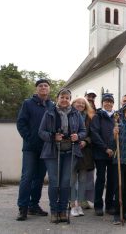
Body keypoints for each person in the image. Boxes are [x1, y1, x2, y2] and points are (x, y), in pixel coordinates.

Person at [38, 88, 86, 223]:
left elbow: (83, 131)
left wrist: (78, 136)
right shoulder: (49, 112)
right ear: (57, 99)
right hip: (53, 152)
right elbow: (41, 132)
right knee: (54, 182)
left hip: (70, 153)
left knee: (65, 183)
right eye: (62, 97)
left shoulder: (76, 113)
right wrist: (53, 137)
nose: (64, 100)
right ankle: (54, 211)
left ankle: (63, 211)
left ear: (70, 100)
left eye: (67, 98)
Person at [16, 79, 54, 221]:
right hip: (30, 148)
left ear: (49, 89)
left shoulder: (52, 105)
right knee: (27, 177)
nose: (43, 87)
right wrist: (30, 138)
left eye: (45, 85)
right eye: (40, 86)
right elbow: (21, 123)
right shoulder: (28, 103)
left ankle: (33, 205)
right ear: (36, 89)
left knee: (39, 178)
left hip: (46, 148)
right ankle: (22, 208)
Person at [90, 93, 116, 216]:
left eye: (110, 101)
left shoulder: (117, 117)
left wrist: (114, 149)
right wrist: (105, 148)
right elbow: (94, 134)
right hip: (101, 153)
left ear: (113, 103)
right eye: (106, 101)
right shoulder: (97, 116)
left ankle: (110, 205)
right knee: (100, 179)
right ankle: (98, 205)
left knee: (112, 180)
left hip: (114, 154)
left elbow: (118, 134)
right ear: (102, 103)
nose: (108, 103)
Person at [70, 97, 95, 217]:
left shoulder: (89, 118)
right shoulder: (68, 116)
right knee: (72, 180)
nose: (80, 105)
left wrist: (85, 141)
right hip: (71, 151)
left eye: (82, 104)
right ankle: (72, 205)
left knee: (83, 180)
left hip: (85, 153)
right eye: (77, 103)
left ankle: (79, 204)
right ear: (73, 104)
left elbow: (93, 134)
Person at [83, 89, 97, 209]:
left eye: (93, 97)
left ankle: (86, 199)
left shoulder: (96, 113)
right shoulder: (81, 113)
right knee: (78, 175)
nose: (90, 99)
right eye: (88, 97)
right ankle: (76, 199)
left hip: (92, 148)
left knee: (89, 175)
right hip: (82, 147)